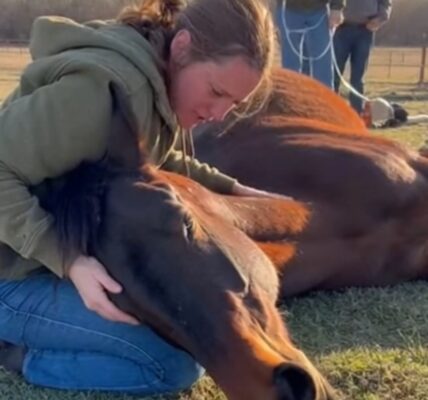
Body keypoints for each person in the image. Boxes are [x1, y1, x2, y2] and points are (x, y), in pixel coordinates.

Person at [0, 0, 279, 395]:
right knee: (170, 367)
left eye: (233, 103)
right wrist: (69, 260)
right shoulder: (99, 94)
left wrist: (231, 188)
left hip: (40, 264)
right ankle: (18, 356)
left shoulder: (154, 89)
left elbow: (156, 156)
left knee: (188, 338)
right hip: (11, 276)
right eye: (216, 92)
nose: (219, 114)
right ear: (181, 47)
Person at [333, 0, 392, 114]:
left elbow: (385, 3)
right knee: (334, 74)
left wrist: (381, 18)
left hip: (365, 30)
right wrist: (333, 11)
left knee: (358, 78)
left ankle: (356, 115)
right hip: (341, 28)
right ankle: (330, 112)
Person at [275, 0, 345, 89]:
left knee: (323, 65)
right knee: (290, 64)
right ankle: (291, 95)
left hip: (319, 10)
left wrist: (337, 7)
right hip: (288, 9)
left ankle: (322, 97)